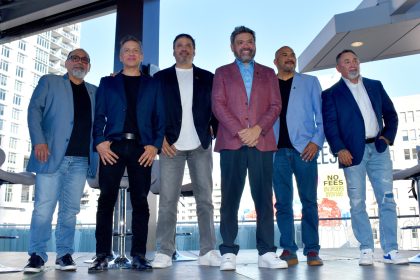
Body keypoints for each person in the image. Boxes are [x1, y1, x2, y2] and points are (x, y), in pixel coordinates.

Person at [322, 49, 409, 266]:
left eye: (355, 60)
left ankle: (391, 250)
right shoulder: (331, 94)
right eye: (346, 62)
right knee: (357, 202)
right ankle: (366, 249)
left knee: (387, 199)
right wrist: (339, 149)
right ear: (339, 68)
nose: (352, 65)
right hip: (351, 154)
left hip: (378, 150)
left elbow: (391, 115)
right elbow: (330, 127)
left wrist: (387, 138)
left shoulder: (375, 85)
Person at [212, 26, 287, 270]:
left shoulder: (268, 73)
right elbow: (218, 105)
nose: (246, 45)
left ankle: (266, 252)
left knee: (264, 198)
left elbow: (276, 106)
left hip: (262, 142)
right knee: (230, 198)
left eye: (250, 41)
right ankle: (228, 252)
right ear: (233, 47)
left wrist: (257, 130)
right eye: (241, 42)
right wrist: (241, 131)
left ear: (254, 45)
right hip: (232, 142)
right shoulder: (222, 73)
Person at [88, 35, 165, 273]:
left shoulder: (153, 84)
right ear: (121, 57)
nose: (131, 54)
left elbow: (160, 118)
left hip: (143, 148)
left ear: (141, 56)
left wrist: (154, 146)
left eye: (135, 51)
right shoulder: (107, 82)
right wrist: (99, 142)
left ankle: (139, 256)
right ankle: (102, 254)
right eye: (126, 51)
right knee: (106, 200)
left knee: (140, 202)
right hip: (113, 147)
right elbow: (98, 116)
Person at [25, 49, 97, 273]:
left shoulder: (95, 91)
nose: (80, 62)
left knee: (70, 210)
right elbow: (34, 110)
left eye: (85, 60)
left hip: (81, 161)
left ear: (89, 67)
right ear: (66, 63)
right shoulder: (50, 82)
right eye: (75, 58)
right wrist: (39, 141)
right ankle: (37, 255)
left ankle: (65, 254)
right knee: (43, 209)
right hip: (50, 155)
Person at [151, 34, 220, 268]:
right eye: (179, 46)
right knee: (168, 200)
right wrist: (158, 139)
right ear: (173, 51)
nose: (184, 49)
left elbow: (218, 107)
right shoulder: (160, 78)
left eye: (188, 46)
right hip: (171, 146)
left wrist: (215, 128)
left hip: (201, 145)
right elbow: (152, 110)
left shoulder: (208, 78)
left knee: (205, 201)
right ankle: (164, 250)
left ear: (194, 50)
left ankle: (208, 250)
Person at [272, 46, 324, 266]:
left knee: (309, 202)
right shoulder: (267, 84)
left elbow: (322, 116)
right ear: (275, 61)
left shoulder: (310, 82)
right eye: (284, 55)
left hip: (305, 150)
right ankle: (288, 249)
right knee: (283, 204)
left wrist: (316, 142)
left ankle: (312, 250)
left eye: (292, 55)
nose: (290, 58)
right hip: (276, 152)